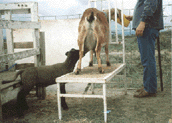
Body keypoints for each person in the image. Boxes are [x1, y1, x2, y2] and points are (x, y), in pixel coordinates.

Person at [125, 0, 164, 97]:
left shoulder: (145, 23)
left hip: (147, 27)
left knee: (147, 59)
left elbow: (150, 5)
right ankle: (148, 85)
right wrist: (136, 18)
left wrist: (142, 22)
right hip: (148, 26)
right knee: (147, 58)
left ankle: (149, 89)